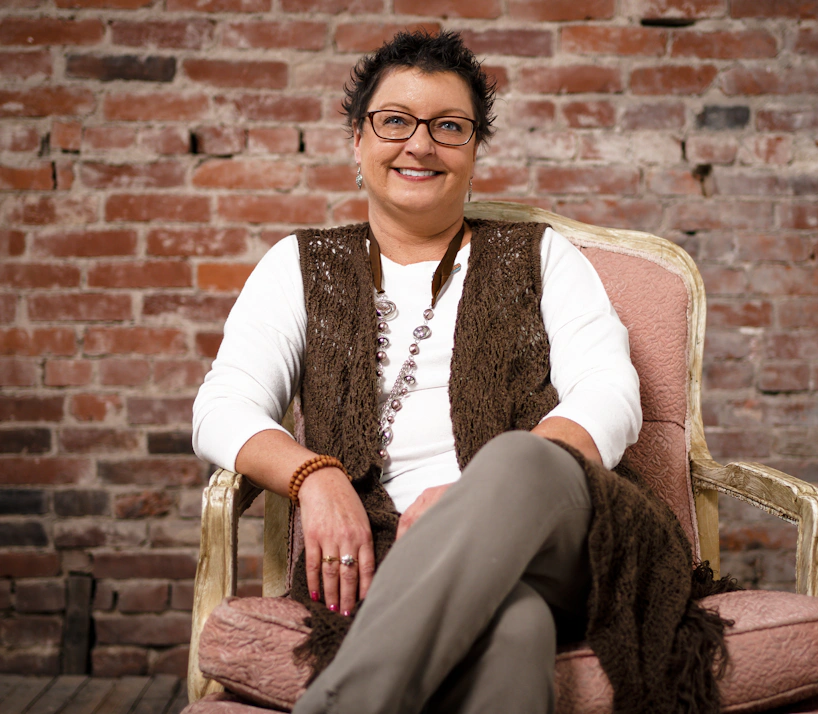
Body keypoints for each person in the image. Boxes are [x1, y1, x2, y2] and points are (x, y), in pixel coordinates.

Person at [193, 30, 729, 714]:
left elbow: (610, 391)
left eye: (448, 126)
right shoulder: (299, 268)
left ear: (475, 148)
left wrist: (479, 496)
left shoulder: (541, 256)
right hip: (390, 556)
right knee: (515, 627)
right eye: (395, 121)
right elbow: (220, 406)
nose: (420, 144)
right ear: (358, 141)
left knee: (517, 460)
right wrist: (314, 475)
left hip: (566, 534)